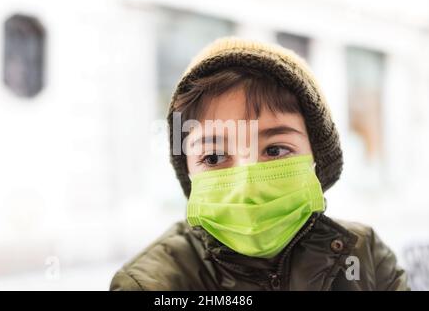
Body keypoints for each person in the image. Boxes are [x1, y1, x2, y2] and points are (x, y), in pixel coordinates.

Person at [110, 37, 409, 291]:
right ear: (188, 172)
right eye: (214, 157)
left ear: (317, 157)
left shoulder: (366, 257)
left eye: (275, 149)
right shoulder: (149, 284)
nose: (247, 183)